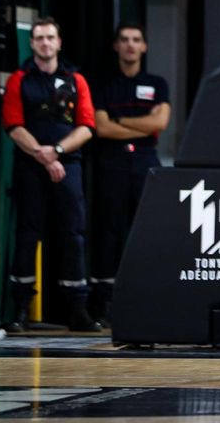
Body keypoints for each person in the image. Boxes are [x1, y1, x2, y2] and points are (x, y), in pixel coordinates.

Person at [2, 17, 99, 332]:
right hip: (30, 166)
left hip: (68, 165)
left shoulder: (76, 80)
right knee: (28, 235)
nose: (45, 43)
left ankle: (78, 310)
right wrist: (43, 157)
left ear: (59, 42)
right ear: (31, 43)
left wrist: (56, 152)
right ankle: (20, 308)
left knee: (73, 235)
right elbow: (14, 126)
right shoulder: (19, 79)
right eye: (39, 38)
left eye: (50, 38)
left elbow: (86, 127)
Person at [89, 22, 169, 327]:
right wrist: (139, 123)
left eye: (136, 40)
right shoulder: (104, 84)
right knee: (109, 231)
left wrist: (119, 120)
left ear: (144, 46)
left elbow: (159, 123)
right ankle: (105, 303)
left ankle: (149, 297)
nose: (131, 45)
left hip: (146, 163)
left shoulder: (157, 83)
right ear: (116, 46)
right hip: (111, 163)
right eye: (124, 40)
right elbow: (102, 127)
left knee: (147, 230)